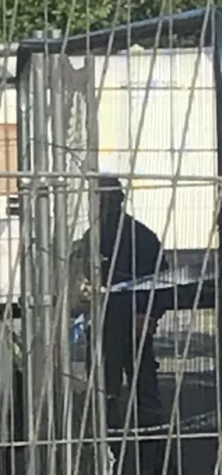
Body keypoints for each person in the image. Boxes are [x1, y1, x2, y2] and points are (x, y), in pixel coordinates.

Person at [75, 175, 168, 436]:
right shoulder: (99, 237)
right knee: (126, 382)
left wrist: (149, 315)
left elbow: (161, 279)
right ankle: (141, 437)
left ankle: (125, 437)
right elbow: (163, 279)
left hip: (120, 319)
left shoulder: (126, 236)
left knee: (122, 384)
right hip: (114, 320)